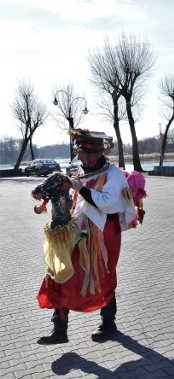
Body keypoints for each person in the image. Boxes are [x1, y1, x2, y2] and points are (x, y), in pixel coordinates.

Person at [36, 129, 138, 345]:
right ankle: (59, 330)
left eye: (87, 154)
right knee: (60, 272)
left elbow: (107, 202)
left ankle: (109, 325)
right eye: (81, 153)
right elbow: (73, 201)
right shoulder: (80, 173)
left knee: (105, 277)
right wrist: (45, 196)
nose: (83, 158)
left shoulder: (113, 174)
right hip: (78, 231)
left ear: (98, 153)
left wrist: (79, 187)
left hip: (105, 235)